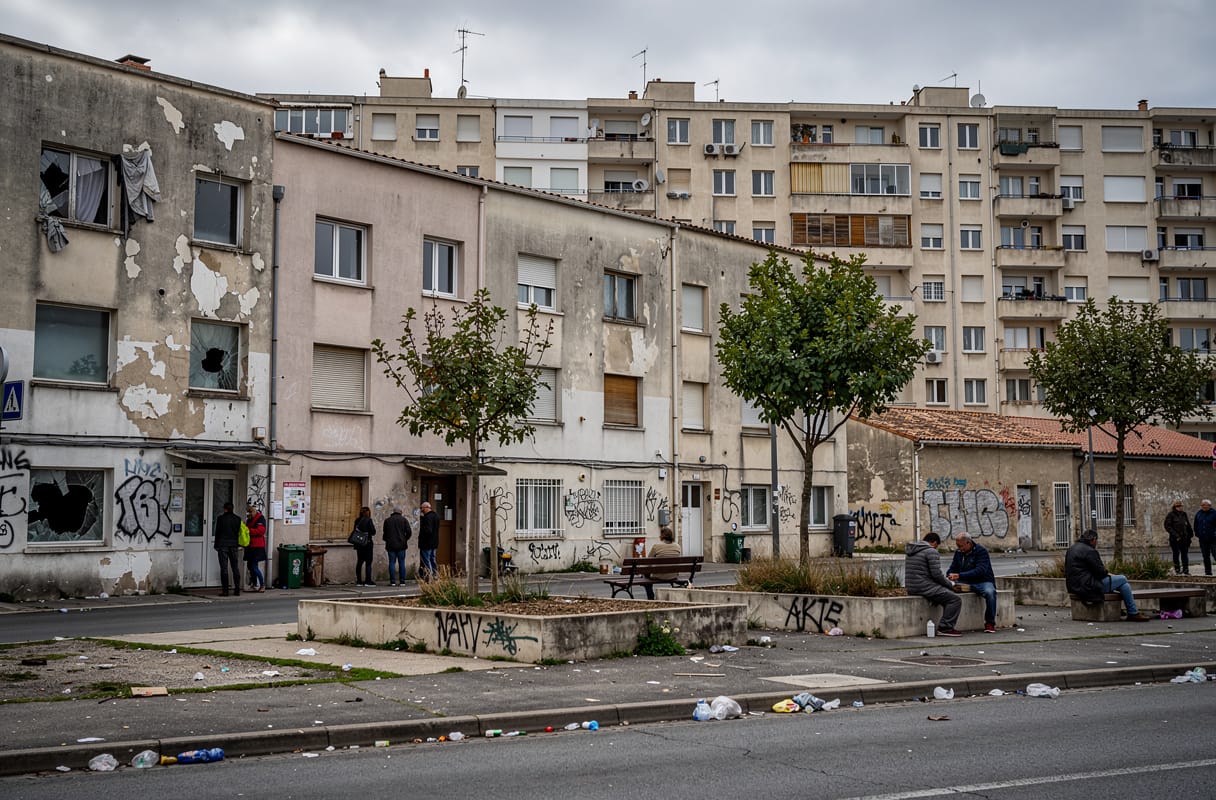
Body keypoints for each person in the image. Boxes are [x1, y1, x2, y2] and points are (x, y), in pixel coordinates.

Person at [1065, 529, 1151, 621]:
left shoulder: (1072, 549)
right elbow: (1100, 572)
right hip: (1089, 586)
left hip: (1074, 585)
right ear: (1093, 540)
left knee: (1124, 586)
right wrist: (1109, 574)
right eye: (1096, 541)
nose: (1096, 543)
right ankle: (1133, 613)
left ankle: (1133, 612)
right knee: (1123, 579)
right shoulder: (1090, 551)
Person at [904, 532, 962, 636]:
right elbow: (937, 575)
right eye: (937, 546)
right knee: (955, 599)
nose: (936, 548)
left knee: (944, 594)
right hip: (924, 587)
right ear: (934, 542)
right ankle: (945, 627)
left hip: (911, 587)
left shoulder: (912, 550)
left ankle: (945, 626)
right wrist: (950, 585)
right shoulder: (931, 551)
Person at [947, 532, 997, 633]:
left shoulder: (981, 551)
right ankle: (948, 625)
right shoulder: (958, 553)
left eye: (961, 546)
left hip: (982, 581)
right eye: (957, 546)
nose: (959, 548)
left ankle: (990, 623)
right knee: (947, 592)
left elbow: (980, 571)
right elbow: (953, 568)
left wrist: (960, 575)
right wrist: (950, 575)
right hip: (965, 582)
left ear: (968, 543)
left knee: (990, 593)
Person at [213, 502, 243, 597]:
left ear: (225, 509)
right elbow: (238, 532)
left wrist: (216, 545)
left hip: (223, 545)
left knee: (224, 568)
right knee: (235, 567)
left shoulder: (221, 519)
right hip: (234, 545)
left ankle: (225, 591)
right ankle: (237, 589)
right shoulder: (238, 519)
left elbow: (218, 532)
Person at [382, 507, 412, 586]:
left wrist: (386, 540)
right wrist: (405, 539)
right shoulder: (404, 520)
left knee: (392, 562)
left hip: (390, 544)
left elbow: (385, 533)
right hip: (401, 545)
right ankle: (402, 581)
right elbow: (409, 531)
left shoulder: (387, 521)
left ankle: (392, 582)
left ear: (393, 512)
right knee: (401, 562)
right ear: (400, 512)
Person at [1164, 499, 1193, 575]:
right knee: (1176, 554)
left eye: (1181, 506)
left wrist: (1190, 535)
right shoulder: (1171, 515)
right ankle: (1177, 570)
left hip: (1184, 538)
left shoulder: (1184, 514)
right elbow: (1167, 526)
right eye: (1178, 506)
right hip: (1175, 539)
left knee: (1185, 554)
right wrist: (1176, 535)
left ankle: (1186, 570)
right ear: (1175, 507)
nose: (1180, 507)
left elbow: (1188, 525)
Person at [244, 504, 267, 592]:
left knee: (254, 566)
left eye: (250, 512)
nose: (248, 514)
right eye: (248, 513)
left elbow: (261, 531)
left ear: (254, 511)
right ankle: (254, 585)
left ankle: (262, 585)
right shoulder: (249, 520)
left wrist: (248, 531)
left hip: (257, 546)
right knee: (250, 566)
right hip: (250, 546)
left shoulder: (260, 519)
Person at [352, 506, 376, 586]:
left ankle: (359, 581)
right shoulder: (369, 520)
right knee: (368, 563)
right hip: (367, 543)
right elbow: (373, 531)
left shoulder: (357, 520)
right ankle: (368, 581)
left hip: (359, 544)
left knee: (359, 562)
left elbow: (354, 531)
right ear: (368, 512)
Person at [417, 501, 439, 581]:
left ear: (426, 508)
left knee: (426, 560)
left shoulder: (427, 517)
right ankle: (435, 575)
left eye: (422, 508)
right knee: (432, 559)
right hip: (434, 542)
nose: (421, 510)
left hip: (427, 543)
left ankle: (429, 576)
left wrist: (422, 532)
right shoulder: (436, 516)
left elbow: (428, 530)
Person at [1194, 499, 1216, 577]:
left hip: (1213, 539)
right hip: (1203, 539)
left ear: (1209, 506)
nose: (1203, 506)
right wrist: (1197, 534)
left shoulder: (1214, 513)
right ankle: (1208, 572)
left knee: (1215, 554)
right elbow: (1195, 525)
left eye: (1205, 505)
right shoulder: (1198, 514)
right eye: (1202, 505)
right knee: (1205, 556)